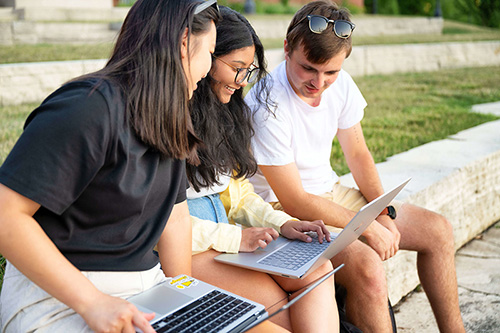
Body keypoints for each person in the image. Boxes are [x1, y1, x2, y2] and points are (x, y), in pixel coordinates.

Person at [0, 0, 220, 332]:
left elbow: (175, 218)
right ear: (184, 43)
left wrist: (181, 301)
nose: (210, 67)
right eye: (211, 52)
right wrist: (93, 302)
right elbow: (6, 214)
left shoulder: (170, 114)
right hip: (60, 296)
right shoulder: (87, 108)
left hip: (147, 289)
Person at [246, 1, 466, 332]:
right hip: (284, 211)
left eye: (330, 72)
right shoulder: (267, 104)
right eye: (308, 69)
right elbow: (294, 200)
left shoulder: (342, 84)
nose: (318, 83)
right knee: (369, 269)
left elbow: (359, 155)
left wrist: (381, 212)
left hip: (330, 193)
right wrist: (368, 228)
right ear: (288, 49)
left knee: (438, 231)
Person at [187, 6, 339, 332]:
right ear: (206, 56)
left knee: (318, 271)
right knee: (280, 312)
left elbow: (239, 197)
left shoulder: (224, 113)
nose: (243, 81)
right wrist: (236, 237)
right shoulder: (172, 120)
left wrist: (283, 223)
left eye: (249, 70)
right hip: (193, 245)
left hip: (227, 237)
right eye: (236, 68)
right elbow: (166, 229)